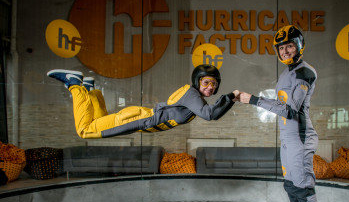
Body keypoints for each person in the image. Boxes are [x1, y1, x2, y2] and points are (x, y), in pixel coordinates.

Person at [239, 25, 325, 202]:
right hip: (287, 140)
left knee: (305, 194)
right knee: (291, 188)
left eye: (289, 46)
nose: (285, 51)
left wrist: (253, 99)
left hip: (300, 139)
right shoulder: (287, 74)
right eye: (281, 47)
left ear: (299, 46)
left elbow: (290, 110)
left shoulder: (305, 72)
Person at [47, 65, 239, 139]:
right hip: (139, 119)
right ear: (197, 81)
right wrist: (232, 97)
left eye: (214, 84)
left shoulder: (195, 99)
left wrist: (228, 99)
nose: (210, 87)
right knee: (86, 130)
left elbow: (209, 110)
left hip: (140, 119)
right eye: (206, 82)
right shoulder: (192, 95)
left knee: (100, 120)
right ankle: (74, 84)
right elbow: (210, 114)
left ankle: (89, 90)